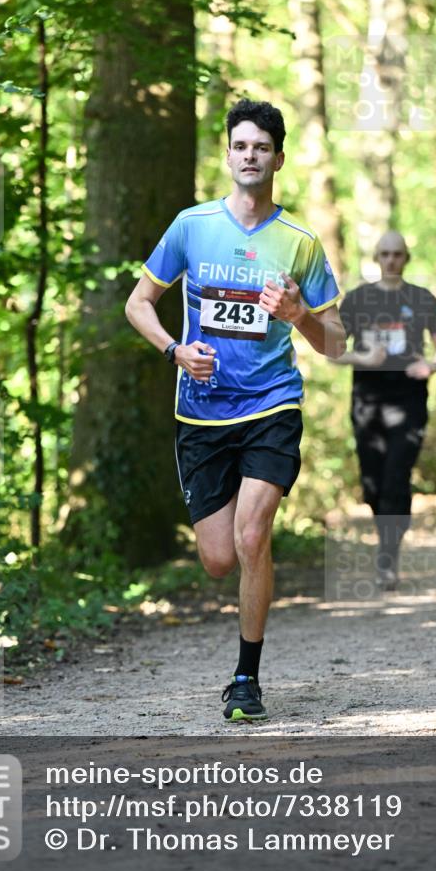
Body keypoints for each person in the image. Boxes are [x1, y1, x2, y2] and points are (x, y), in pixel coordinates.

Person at [125, 98, 345, 721]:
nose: (251, 156)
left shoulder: (299, 243)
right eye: (240, 146)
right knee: (219, 558)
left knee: (253, 535)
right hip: (200, 413)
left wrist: (299, 315)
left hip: (272, 405)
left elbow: (336, 344)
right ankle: (244, 654)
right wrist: (174, 350)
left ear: (279, 157)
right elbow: (137, 304)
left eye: (262, 147)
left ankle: (246, 678)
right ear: (228, 155)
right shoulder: (192, 226)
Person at [334, 231, 436, 589]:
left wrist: (431, 366)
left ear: (406, 258)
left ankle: (389, 557)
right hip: (367, 402)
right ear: (376, 257)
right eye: (384, 254)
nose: (390, 260)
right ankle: (386, 540)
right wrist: (364, 357)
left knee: (395, 478)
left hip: (409, 400)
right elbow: (333, 350)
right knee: (372, 484)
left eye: (397, 254)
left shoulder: (422, 299)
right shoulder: (357, 300)